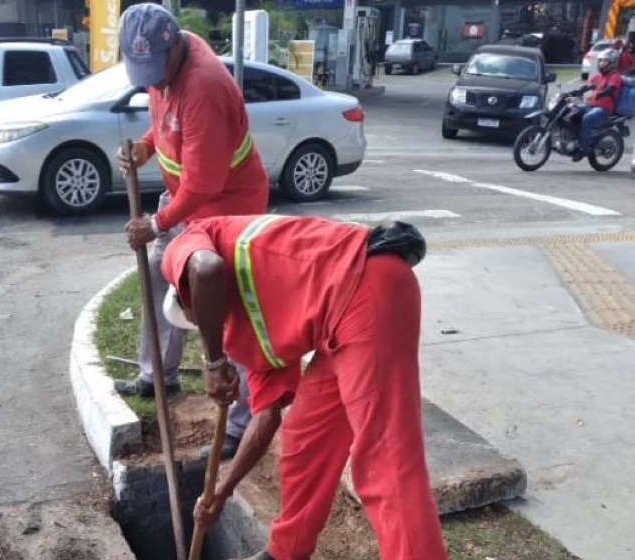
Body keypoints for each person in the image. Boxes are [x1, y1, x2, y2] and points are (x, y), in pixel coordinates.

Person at [161, 215, 448, 560]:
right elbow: (265, 417)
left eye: (194, 317)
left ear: (186, 294)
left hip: (368, 285)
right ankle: (286, 550)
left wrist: (214, 364)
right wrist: (222, 492)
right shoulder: (239, 333)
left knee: (385, 457)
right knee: (304, 437)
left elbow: (205, 270)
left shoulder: (196, 241)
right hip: (336, 326)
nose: (202, 325)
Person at [115, 3, 269, 460]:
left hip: (228, 209)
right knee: (164, 279)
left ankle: (239, 425)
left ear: (175, 46)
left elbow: (204, 183)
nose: (152, 82)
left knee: (224, 306)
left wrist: (156, 222)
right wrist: (145, 147)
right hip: (188, 201)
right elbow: (166, 118)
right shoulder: (167, 71)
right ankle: (157, 375)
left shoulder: (203, 84)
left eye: (155, 70)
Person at [569, 48, 623, 162]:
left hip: (604, 109)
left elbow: (610, 89)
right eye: (600, 61)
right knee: (571, 111)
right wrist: (574, 92)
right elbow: (586, 86)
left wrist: (600, 94)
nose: (601, 63)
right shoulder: (597, 76)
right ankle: (574, 138)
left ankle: (583, 148)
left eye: (605, 61)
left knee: (587, 119)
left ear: (612, 62)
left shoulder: (615, 77)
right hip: (590, 105)